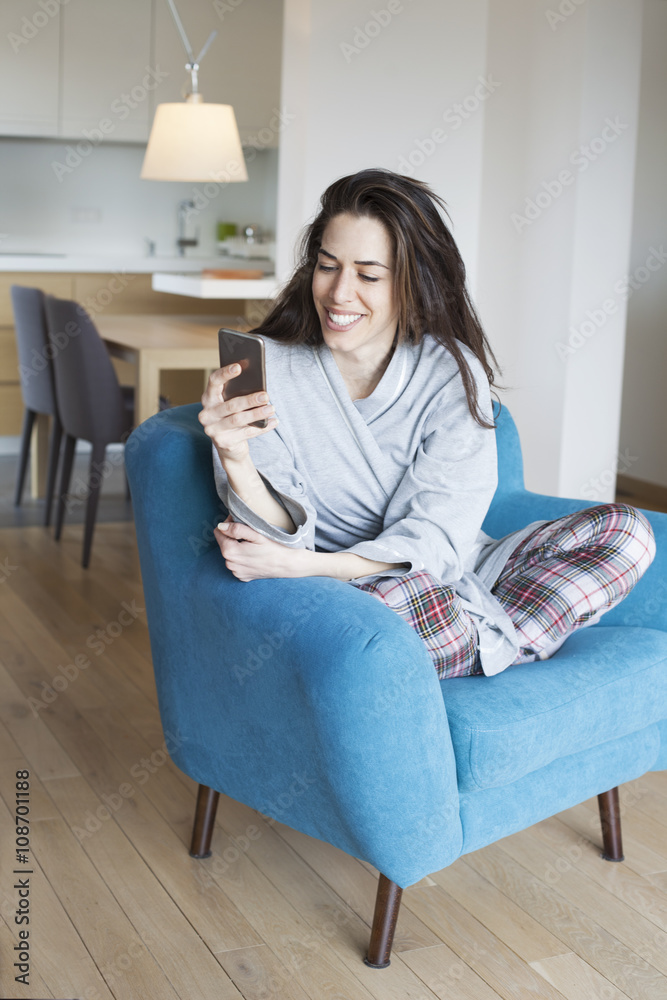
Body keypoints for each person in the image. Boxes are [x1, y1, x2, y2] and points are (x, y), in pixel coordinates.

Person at [198, 168, 656, 679]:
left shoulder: (449, 371)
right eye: (328, 267)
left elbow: (438, 543)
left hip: (445, 568)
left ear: (413, 282)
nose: (339, 293)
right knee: (391, 604)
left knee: (628, 531)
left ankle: (478, 644)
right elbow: (278, 552)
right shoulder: (269, 370)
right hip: (358, 594)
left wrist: (316, 566)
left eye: (369, 275)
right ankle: (501, 642)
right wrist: (234, 455)